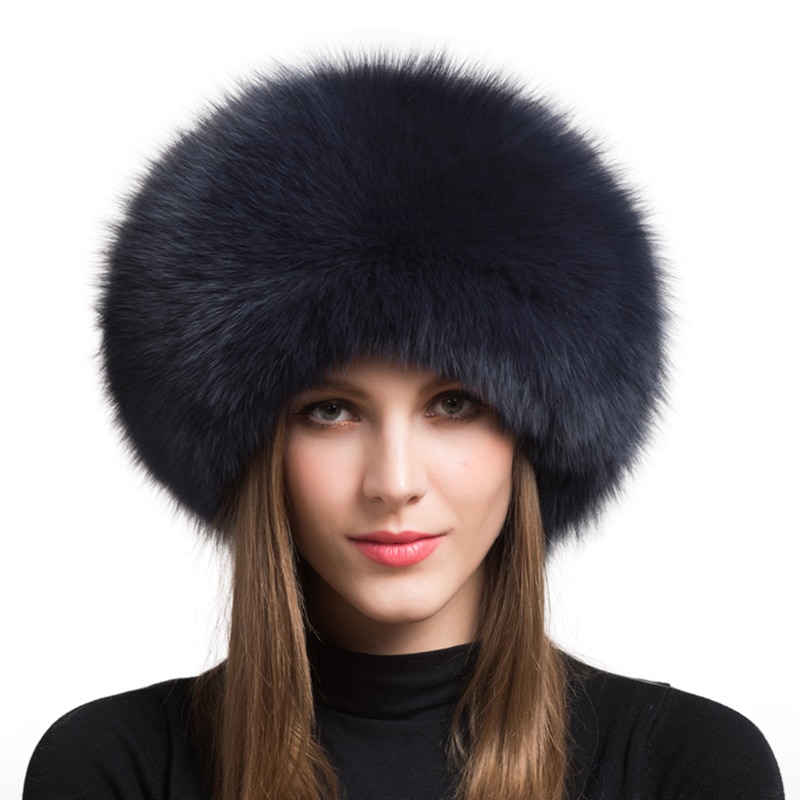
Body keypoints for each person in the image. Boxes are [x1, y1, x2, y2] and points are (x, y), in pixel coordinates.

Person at [23, 54, 784, 800]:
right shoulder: (113, 767)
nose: (394, 483)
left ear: (532, 437)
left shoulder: (686, 767)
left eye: (453, 405)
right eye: (330, 411)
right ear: (255, 447)